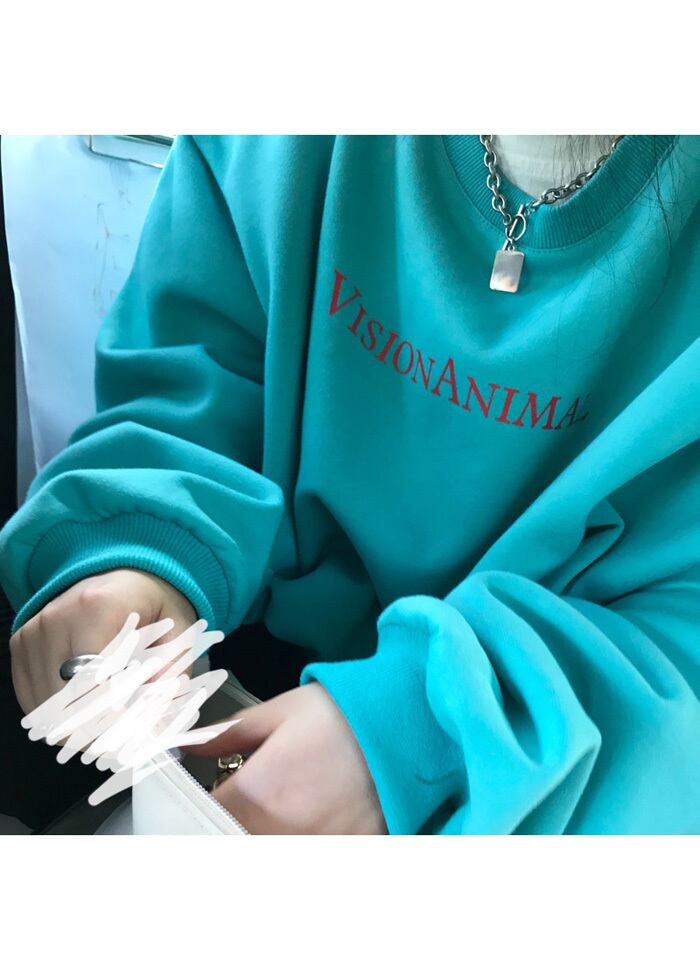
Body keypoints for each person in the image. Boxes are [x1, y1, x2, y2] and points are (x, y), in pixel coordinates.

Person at [0, 134, 698, 835]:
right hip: (245, 661)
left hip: (572, 769)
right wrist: (140, 553)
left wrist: (422, 734)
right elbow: (195, 372)